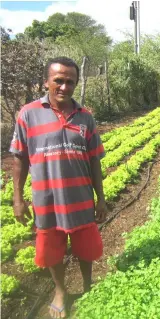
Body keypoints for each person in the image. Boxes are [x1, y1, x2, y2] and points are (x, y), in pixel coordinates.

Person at [10, 56, 108, 318]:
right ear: (47, 82)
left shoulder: (85, 117)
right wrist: (17, 198)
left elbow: (95, 161)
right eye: (59, 81)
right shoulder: (28, 114)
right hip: (46, 201)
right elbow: (19, 158)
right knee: (52, 251)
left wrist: (101, 199)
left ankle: (88, 287)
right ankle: (61, 291)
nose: (65, 87)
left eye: (71, 82)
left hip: (80, 199)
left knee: (85, 249)